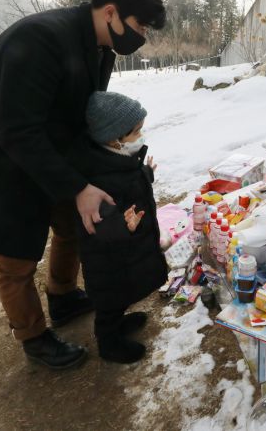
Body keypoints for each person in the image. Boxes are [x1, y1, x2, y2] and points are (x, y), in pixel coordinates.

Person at [0, 0, 166, 369]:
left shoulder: (100, 45)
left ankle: (63, 296)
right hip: (1, 158)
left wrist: (106, 169)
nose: (141, 35)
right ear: (110, 12)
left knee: (75, 224)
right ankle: (33, 336)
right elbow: (17, 130)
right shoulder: (41, 38)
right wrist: (78, 186)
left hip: (52, 150)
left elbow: (81, 112)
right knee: (16, 257)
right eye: (139, 25)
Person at [66, 91, 167, 364]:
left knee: (121, 297)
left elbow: (130, 182)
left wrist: (146, 174)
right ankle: (109, 343)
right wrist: (123, 228)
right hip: (109, 263)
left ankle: (117, 323)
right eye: (136, 133)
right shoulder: (99, 180)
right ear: (114, 139)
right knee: (110, 304)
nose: (141, 138)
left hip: (125, 255)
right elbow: (96, 228)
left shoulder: (117, 161)